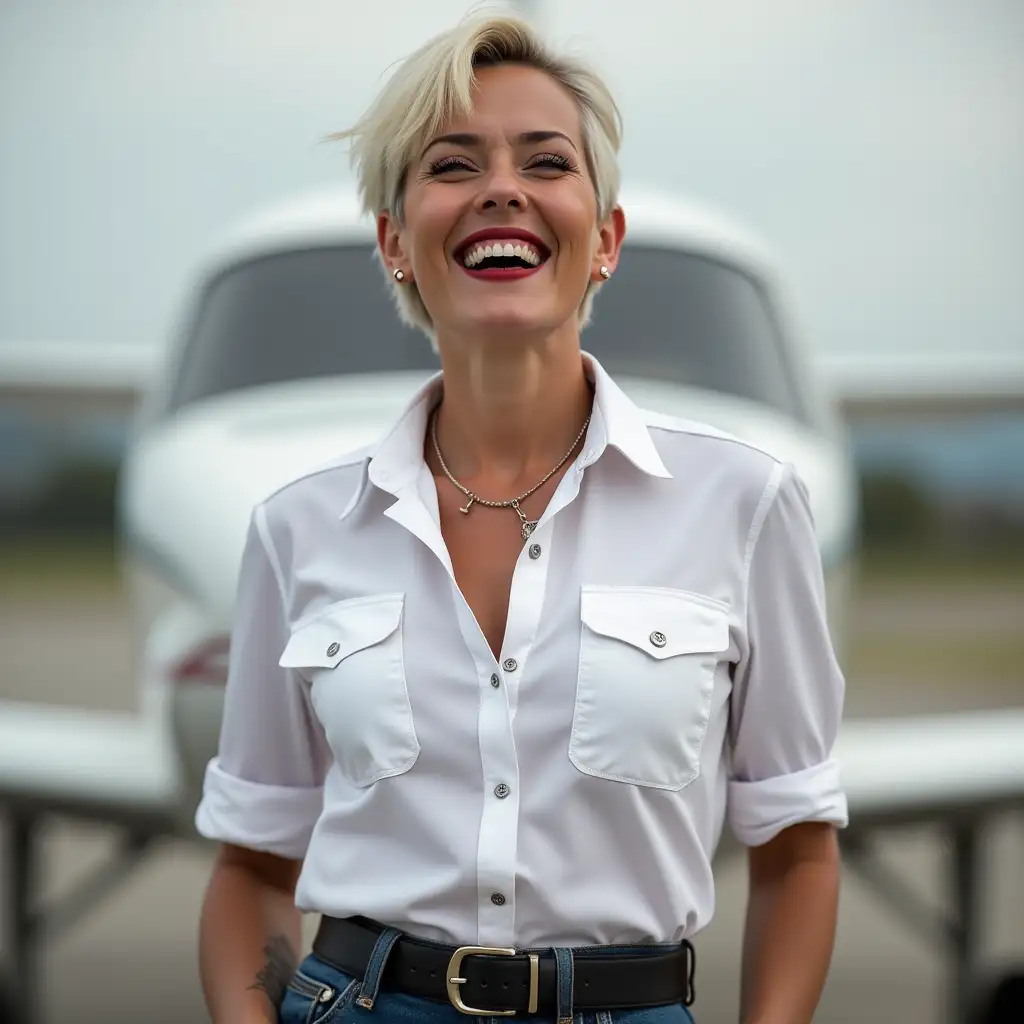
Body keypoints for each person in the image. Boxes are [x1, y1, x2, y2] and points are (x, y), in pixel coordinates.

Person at [195, 13, 848, 1024]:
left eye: (547, 161)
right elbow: (249, 862)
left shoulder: (748, 504)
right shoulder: (295, 527)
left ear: (606, 239)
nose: (502, 187)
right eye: (452, 165)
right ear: (394, 242)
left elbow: (798, 847)